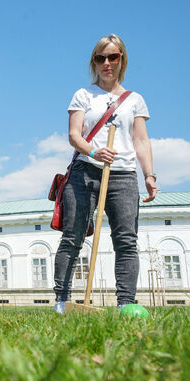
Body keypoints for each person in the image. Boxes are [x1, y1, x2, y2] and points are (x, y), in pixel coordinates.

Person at [53, 34, 158, 313]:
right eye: (101, 58)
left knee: (125, 240)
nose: (107, 63)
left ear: (122, 59)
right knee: (72, 236)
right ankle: (62, 300)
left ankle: (126, 303)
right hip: (85, 171)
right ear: (94, 62)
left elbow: (141, 141)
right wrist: (93, 151)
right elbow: (74, 135)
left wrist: (149, 175)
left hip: (122, 174)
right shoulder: (84, 95)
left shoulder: (135, 99)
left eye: (113, 57)